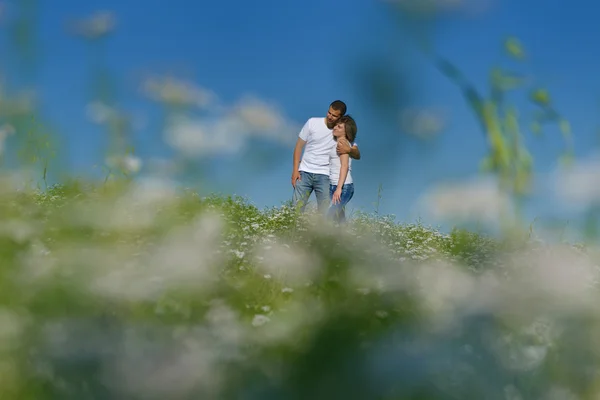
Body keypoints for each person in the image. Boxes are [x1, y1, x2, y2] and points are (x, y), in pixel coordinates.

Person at [291, 100, 360, 213]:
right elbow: (298, 146)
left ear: (340, 117)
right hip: (304, 173)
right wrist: (295, 171)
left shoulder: (340, 132)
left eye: (334, 115)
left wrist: (349, 149)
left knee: (324, 214)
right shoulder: (312, 122)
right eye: (329, 112)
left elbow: (357, 154)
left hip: (325, 176)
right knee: (295, 210)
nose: (330, 116)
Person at [327, 115, 357, 223]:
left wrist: (339, 188)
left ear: (346, 132)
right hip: (334, 185)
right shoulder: (336, 143)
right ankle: (344, 238)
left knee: (330, 215)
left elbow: (345, 166)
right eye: (336, 125)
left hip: (343, 187)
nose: (335, 127)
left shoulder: (342, 143)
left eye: (339, 127)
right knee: (339, 218)